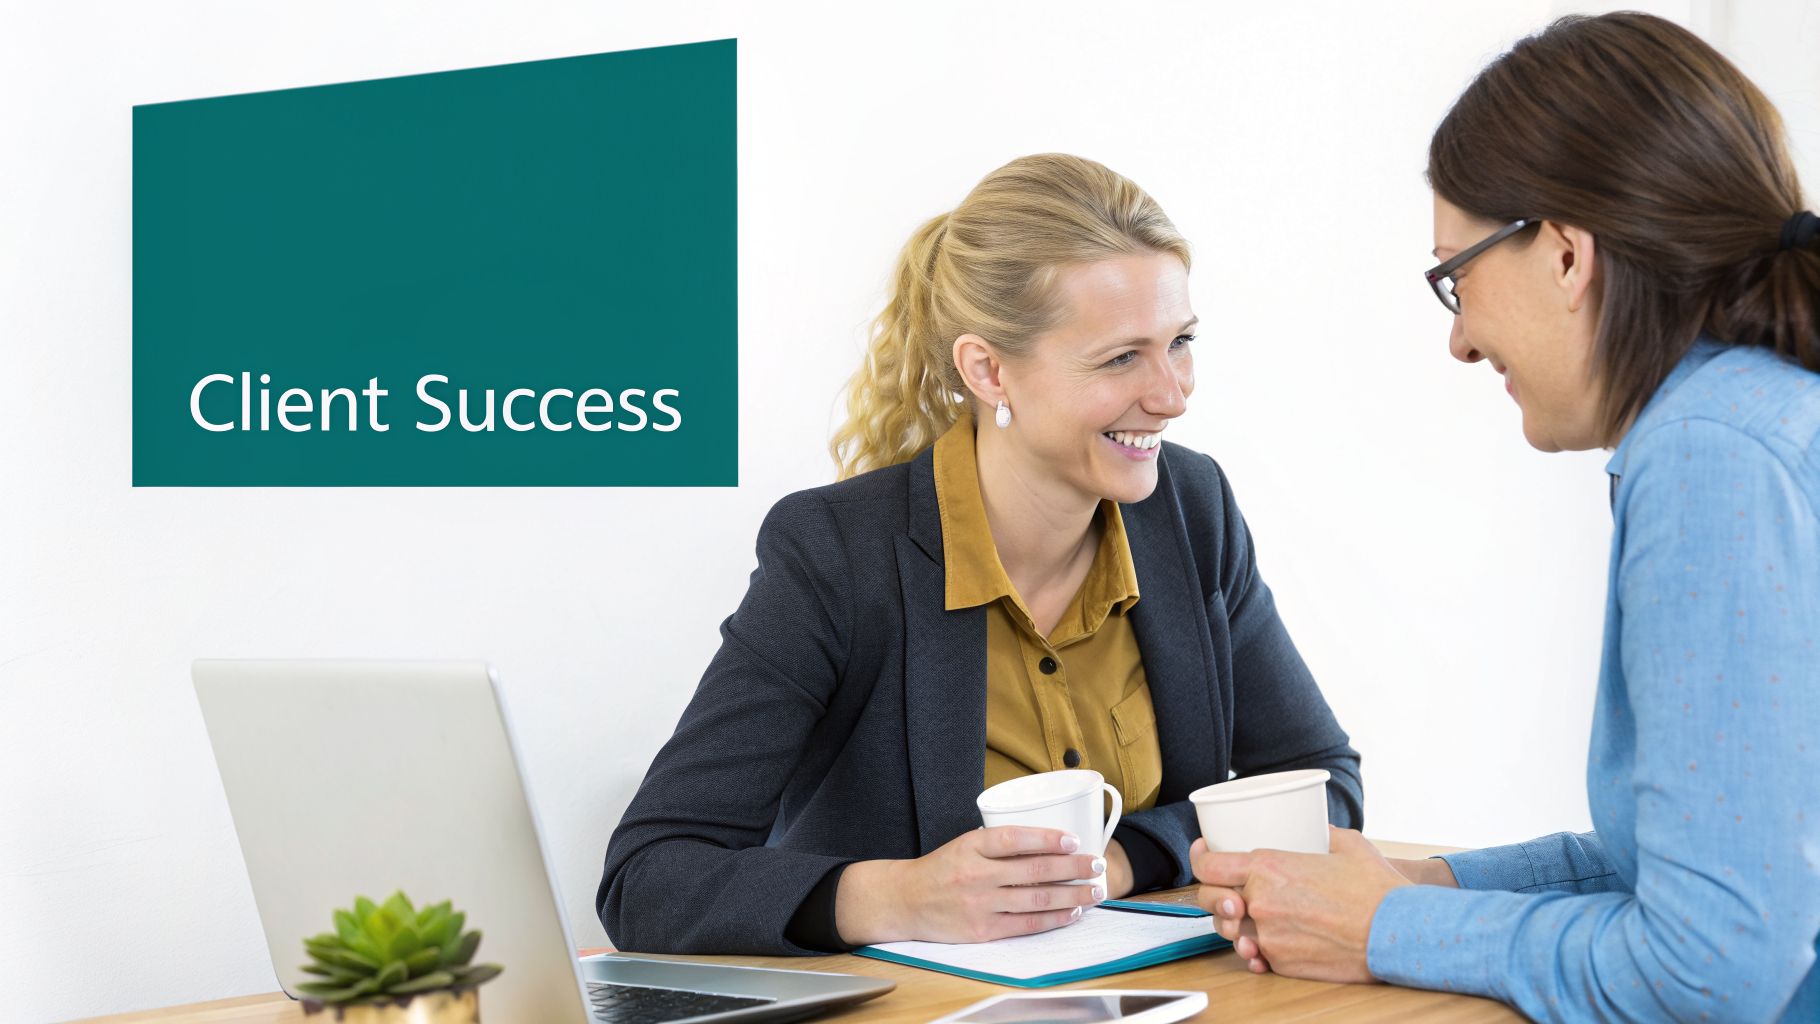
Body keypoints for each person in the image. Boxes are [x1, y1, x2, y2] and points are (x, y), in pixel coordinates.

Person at [1191, 13, 1820, 1021]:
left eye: (1457, 276)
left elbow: (1714, 967)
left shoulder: (1711, 453)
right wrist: (1416, 885)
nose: (1460, 340)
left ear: (1566, 255)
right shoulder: (1760, 415)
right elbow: (1674, 865)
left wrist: (1383, 929)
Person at [599, 153, 1362, 955]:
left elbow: (1321, 785)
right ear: (989, 370)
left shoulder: (1190, 509)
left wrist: (1123, 859)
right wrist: (900, 897)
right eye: (1121, 357)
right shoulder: (837, 555)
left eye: (1180, 342)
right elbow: (647, 878)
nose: (1172, 394)